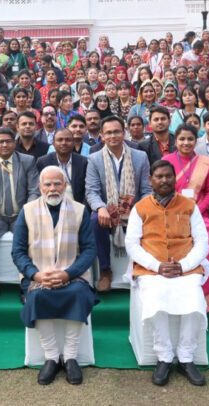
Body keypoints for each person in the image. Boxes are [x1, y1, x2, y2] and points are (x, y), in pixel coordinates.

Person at [125, 160, 209, 387]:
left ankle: (186, 357)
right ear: (150, 180)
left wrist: (183, 265)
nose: (164, 180)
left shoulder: (189, 205)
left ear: (175, 178)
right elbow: (132, 244)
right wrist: (157, 266)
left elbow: (202, 242)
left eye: (168, 176)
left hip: (186, 267)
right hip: (152, 269)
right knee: (155, 298)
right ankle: (164, 356)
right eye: (159, 177)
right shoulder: (140, 207)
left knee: (194, 298)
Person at [12, 166, 97, 385]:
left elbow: (89, 250)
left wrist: (69, 274)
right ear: (40, 187)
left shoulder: (80, 210)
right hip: (38, 277)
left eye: (57, 183)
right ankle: (51, 356)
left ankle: (69, 357)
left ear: (65, 186)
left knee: (78, 293)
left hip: (72, 276)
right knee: (38, 296)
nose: (52, 189)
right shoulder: (27, 211)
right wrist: (35, 275)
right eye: (47, 184)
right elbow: (18, 251)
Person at [0, 128, 40, 305]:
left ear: (15, 142)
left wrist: (28, 214)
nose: (4, 144)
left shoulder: (27, 161)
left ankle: (27, 285)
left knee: (31, 235)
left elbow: (34, 191)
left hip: (21, 214)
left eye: (8, 141)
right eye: (0, 141)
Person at [85, 116, 151, 292]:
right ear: (102, 135)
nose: (113, 136)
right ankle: (106, 270)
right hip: (108, 210)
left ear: (124, 133)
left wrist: (139, 209)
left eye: (116, 131)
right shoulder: (94, 159)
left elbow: (146, 189)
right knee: (93, 221)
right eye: (108, 132)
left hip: (134, 209)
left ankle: (141, 266)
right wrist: (100, 208)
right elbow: (91, 191)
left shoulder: (140, 156)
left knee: (149, 217)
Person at [163, 124, 209, 309]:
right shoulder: (167, 160)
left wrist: (197, 210)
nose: (186, 142)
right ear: (176, 141)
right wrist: (179, 210)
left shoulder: (205, 162)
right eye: (182, 139)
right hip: (173, 213)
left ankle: (207, 293)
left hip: (200, 215)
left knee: (206, 240)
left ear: (195, 141)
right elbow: (163, 189)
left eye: (190, 139)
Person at [37, 128, 88, 206]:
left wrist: (82, 209)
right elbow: (40, 190)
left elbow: (87, 190)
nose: (64, 143)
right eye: (60, 140)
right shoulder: (43, 162)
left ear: (74, 143)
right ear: (53, 143)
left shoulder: (83, 162)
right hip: (51, 207)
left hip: (77, 206)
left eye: (68, 140)